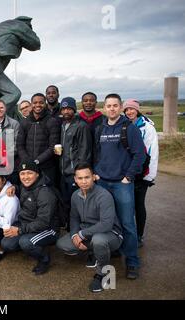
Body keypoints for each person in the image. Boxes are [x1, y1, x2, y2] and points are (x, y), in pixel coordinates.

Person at [93, 93, 146, 279]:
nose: (112, 109)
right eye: (109, 106)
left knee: (127, 223)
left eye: (115, 105)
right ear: (104, 108)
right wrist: (96, 172)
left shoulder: (129, 128)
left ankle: (132, 261)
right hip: (102, 182)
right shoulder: (100, 129)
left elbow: (140, 155)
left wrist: (128, 176)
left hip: (121, 184)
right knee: (107, 221)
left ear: (120, 107)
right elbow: (96, 153)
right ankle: (113, 250)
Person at [56, 163, 123, 293]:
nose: (84, 181)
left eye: (87, 177)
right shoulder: (75, 195)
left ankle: (102, 273)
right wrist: (75, 234)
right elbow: (74, 218)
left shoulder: (103, 195)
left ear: (93, 177)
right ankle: (93, 252)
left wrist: (82, 234)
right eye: (80, 178)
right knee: (62, 244)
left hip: (111, 234)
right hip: (88, 232)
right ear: (75, 179)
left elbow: (106, 224)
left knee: (98, 240)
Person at [1, 162, 60, 275]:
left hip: (48, 229)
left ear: (37, 174)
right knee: (6, 243)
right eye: (22, 173)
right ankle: (32, 246)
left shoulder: (45, 193)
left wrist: (19, 230)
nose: (25, 177)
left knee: (26, 242)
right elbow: (24, 191)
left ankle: (44, 258)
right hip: (28, 224)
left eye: (29, 173)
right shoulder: (25, 186)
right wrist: (14, 187)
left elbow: (43, 222)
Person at [123, 99, 158, 247]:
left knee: (138, 204)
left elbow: (152, 152)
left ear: (137, 110)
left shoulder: (147, 127)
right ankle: (126, 234)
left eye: (132, 109)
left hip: (142, 172)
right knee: (127, 205)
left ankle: (138, 236)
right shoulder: (124, 124)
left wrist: (149, 176)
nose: (129, 112)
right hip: (127, 171)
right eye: (126, 110)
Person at [54, 97, 92, 228]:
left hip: (74, 172)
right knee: (66, 200)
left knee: (76, 201)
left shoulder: (81, 126)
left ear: (74, 110)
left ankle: (77, 228)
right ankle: (70, 225)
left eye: (69, 109)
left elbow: (85, 151)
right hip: (63, 171)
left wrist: (79, 172)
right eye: (63, 109)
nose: (66, 111)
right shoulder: (63, 125)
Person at [16, 93, 60, 185]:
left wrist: (37, 161)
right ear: (31, 105)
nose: (38, 105)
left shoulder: (52, 121)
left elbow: (53, 146)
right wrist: (27, 160)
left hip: (46, 167)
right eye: (35, 103)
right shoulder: (25, 122)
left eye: (41, 102)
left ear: (45, 104)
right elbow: (20, 145)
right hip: (28, 167)